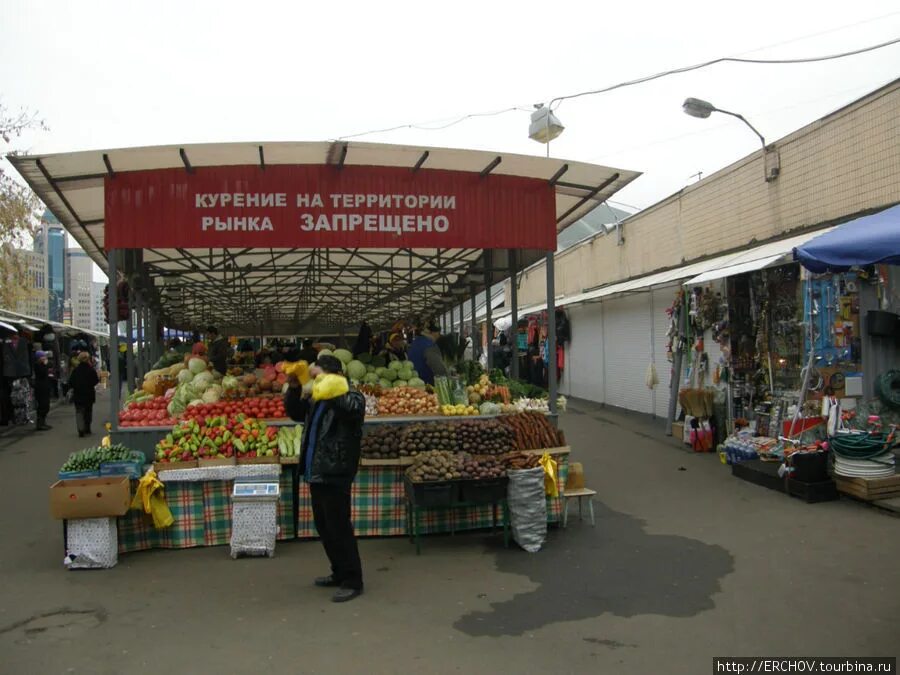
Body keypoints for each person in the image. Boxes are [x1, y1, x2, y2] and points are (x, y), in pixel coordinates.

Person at [284, 355, 366, 603]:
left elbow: (350, 409)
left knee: (339, 527)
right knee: (324, 526)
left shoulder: (351, 396)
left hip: (335, 470)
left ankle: (353, 580)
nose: (312, 377)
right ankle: (338, 572)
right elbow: (296, 413)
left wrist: (329, 387)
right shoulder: (315, 398)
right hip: (316, 471)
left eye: (316, 373)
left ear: (331, 374)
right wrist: (295, 386)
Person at [1, 330, 33, 426]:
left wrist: (30, 371)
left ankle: (22, 416)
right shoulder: (5, 341)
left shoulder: (24, 341)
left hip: (22, 371)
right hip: (9, 372)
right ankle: (12, 416)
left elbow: (29, 356)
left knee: (23, 395)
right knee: (12, 395)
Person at [68, 352, 99, 437]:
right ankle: (87, 428)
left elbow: (70, 382)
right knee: (88, 412)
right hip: (89, 394)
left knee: (79, 412)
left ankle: (80, 429)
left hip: (78, 394)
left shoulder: (75, 370)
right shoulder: (91, 370)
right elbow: (96, 380)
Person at [33, 351, 52, 431]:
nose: (44, 358)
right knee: (42, 406)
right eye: (43, 357)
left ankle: (43, 422)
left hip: (45, 387)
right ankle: (40, 424)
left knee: (46, 406)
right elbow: (42, 373)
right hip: (40, 388)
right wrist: (45, 365)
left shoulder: (43, 365)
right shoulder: (37, 365)